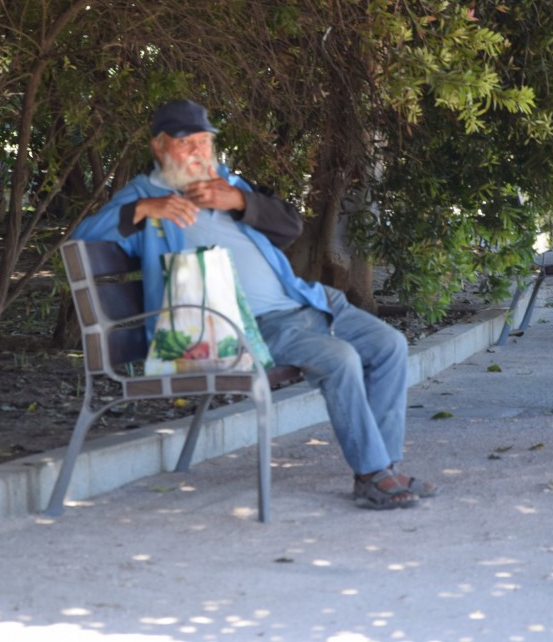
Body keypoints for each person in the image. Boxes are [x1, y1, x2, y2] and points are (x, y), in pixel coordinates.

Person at [72, 100, 436, 510]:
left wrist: (241, 204)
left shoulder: (228, 183)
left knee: (390, 346)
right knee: (341, 358)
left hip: (308, 300)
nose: (197, 151)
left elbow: (291, 226)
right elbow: (81, 241)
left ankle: (385, 466)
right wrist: (140, 210)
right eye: (184, 142)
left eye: (204, 142)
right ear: (159, 148)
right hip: (251, 325)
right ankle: (372, 475)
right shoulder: (143, 196)